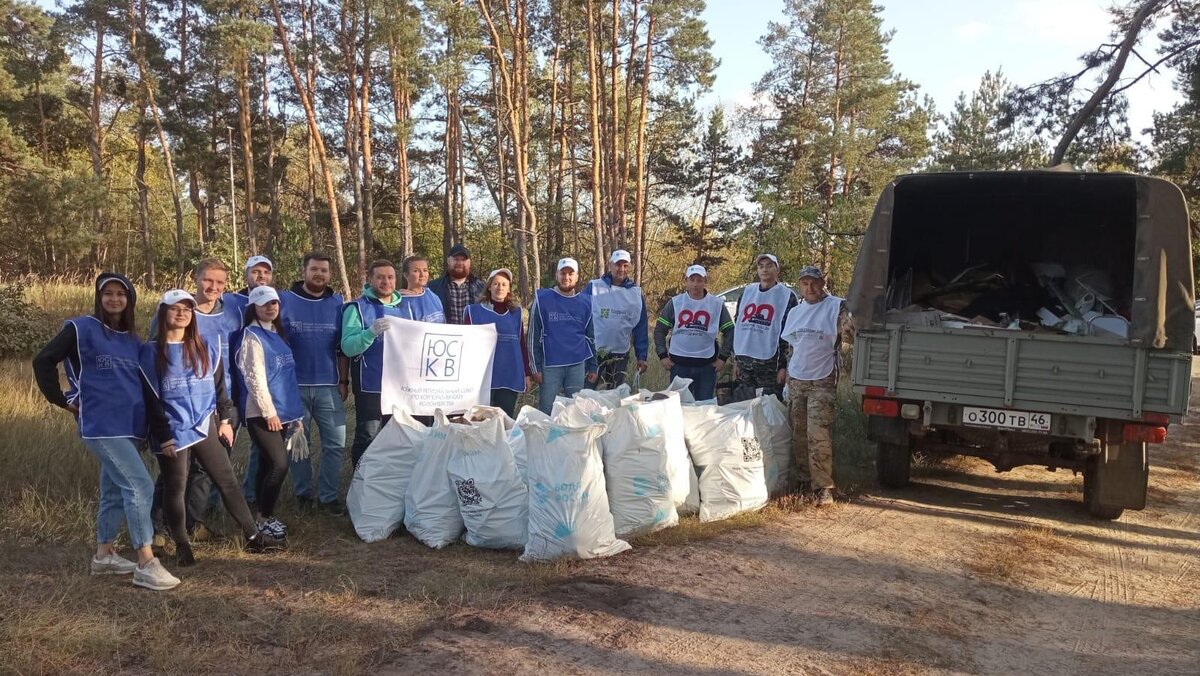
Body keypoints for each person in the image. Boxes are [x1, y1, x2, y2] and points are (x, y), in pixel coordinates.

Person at [32, 273, 181, 591]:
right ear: (99, 297)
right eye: (108, 293)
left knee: (114, 488)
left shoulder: (133, 341)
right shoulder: (80, 328)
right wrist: (62, 400)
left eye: (121, 294)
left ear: (130, 299)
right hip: (100, 425)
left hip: (129, 427)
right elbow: (43, 360)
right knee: (140, 485)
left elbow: (144, 387)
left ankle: (104, 555)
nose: (114, 299)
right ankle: (145, 562)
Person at [140, 290, 284, 562]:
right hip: (173, 430)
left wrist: (225, 420)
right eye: (175, 308)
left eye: (187, 309)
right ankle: (182, 544)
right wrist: (164, 436)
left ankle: (253, 537)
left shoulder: (205, 346)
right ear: (163, 312)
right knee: (176, 486)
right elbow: (151, 398)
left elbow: (220, 390)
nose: (182, 313)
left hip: (205, 423)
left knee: (226, 480)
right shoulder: (150, 352)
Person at [148, 258, 244, 548]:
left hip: (221, 402)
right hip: (180, 407)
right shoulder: (179, 310)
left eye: (219, 282)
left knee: (207, 471)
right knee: (174, 473)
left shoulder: (232, 313)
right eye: (207, 280)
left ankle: (193, 523)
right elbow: (157, 357)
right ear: (196, 279)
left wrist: (228, 413)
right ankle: (158, 528)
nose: (213, 287)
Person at [280, 252, 349, 515]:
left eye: (324, 270)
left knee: (335, 443)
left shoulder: (338, 304)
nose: (319, 274)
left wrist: (344, 381)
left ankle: (329, 497)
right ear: (304, 271)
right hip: (294, 387)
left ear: (330, 274)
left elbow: (342, 348)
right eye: (314, 270)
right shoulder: (285, 300)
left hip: (328, 386)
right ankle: (303, 495)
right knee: (299, 445)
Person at [233, 286, 305, 539]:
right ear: (253, 307)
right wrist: (268, 413)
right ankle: (264, 519)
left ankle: (261, 515)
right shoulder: (251, 337)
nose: (270, 307)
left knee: (266, 464)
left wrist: (294, 415)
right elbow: (255, 380)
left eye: (274, 303)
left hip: (283, 412)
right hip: (262, 413)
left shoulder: (277, 333)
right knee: (279, 464)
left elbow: (286, 377)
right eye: (264, 304)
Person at [779, 266, 853, 507]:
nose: (809, 288)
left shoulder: (836, 307)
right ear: (799, 286)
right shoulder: (796, 312)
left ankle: (823, 487)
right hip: (798, 379)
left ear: (823, 283)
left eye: (814, 283)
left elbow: (850, 335)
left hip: (822, 380)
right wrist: (788, 377)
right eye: (805, 284)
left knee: (818, 434)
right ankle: (803, 480)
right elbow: (793, 347)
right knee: (798, 433)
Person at [341, 260, 404, 467]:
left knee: (396, 438)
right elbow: (348, 347)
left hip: (401, 386)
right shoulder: (357, 308)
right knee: (368, 436)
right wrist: (370, 333)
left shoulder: (406, 308)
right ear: (371, 279)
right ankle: (361, 486)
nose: (386, 281)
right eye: (380, 277)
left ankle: (385, 484)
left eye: (390, 277)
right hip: (370, 385)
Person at [653, 264, 734, 402]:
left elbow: (730, 330)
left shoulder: (716, 304)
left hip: (707, 367)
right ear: (686, 281)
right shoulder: (675, 303)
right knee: (679, 406)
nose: (695, 284)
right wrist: (662, 355)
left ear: (705, 281)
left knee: (704, 406)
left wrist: (723, 358)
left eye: (699, 280)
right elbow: (660, 330)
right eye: (692, 280)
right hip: (679, 366)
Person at [528, 257, 598, 414]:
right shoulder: (542, 299)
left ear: (577, 276)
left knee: (575, 409)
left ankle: (572, 438)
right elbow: (533, 336)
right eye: (563, 273)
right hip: (550, 365)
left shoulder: (586, 302)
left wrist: (593, 365)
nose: (566, 277)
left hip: (577, 365)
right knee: (546, 408)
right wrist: (535, 367)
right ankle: (544, 437)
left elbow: (590, 336)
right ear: (557, 275)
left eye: (570, 274)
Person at [235, 255, 276, 505]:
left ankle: (252, 494)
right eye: (255, 272)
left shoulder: (273, 301)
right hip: (230, 381)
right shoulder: (231, 301)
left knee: (259, 446)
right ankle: (212, 502)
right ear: (246, 275)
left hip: (261, 384)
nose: (261, 276)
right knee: (223, 444)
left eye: (265, 272)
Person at [464, 268, 532, 417]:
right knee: (480, 420)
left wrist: (526, 374)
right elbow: (465, 346)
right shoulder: (473, 312)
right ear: (489, 286)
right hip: (482, 377)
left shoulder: (516, 313)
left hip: (509, 375)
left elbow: (521, 344)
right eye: (495, 284)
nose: (499, 287)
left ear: (509, 289)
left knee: (504, 421)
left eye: (504, 284)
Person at [731, 253, 798, 401]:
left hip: (770, 367)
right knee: (743, 406)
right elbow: (739, 328)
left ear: (777, 269)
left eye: (769, 266)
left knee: (769, 408)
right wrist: (735, 361)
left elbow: (791, 336)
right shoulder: (747, 293)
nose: (764, 270)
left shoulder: (787, 296)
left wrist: (784, 367)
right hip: (744, 364)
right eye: (761, 266)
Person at [582, 249, 649, 390]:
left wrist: (641, 356)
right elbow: (581, 317)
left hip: (620, 355)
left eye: (625, 266)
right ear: (610, 265)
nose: (621, 269)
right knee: (586, 392)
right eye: (618, 265)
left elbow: (641, 326)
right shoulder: (594, 287)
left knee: (614, 395)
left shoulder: (635, 293)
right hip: (595, 353)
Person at [427, 244, 485, 325]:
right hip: (444, 336)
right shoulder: (432, 288)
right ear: (448, 261)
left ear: (469, 263)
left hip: (473, 336)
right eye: (456, 259)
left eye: (463, 260)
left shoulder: (482, 288)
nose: (459, 263)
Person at [397, 254, 446, 323]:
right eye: (416, 271)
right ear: (406, 275)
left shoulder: (433, 296)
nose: (422, 275)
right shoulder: (403, 302)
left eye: (425, 270)